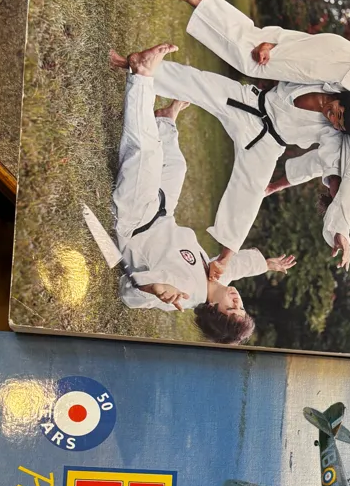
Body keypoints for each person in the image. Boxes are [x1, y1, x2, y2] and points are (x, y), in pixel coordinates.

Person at [144, 0, 350, 274]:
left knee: (257, 48)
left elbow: (316, 165)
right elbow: (347, 193)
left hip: (341, 70)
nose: (331, 189)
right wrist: (343, 232)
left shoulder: (348, 153)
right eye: (334, 193)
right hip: (343, 67)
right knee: (256, 58)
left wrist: (276, 185)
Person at [110, 44, 297, 345]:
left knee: (147, 154)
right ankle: (165, 119)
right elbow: (236, 266)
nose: (237, 300)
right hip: (161, 212)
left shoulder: (186, 291)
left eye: (231, 308)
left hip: (134, 219)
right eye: (241, 307)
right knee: (177, 167)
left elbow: (127, 293)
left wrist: (153, 289)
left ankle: (141, 75)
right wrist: (266, 264)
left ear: (212, 310)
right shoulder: (214, 279)